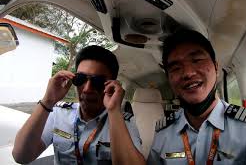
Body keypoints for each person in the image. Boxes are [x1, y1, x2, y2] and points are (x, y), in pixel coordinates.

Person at [147, 30, 246, 165]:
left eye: (196, 60)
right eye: (176, 68)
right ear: (169, 79)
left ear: (216, 67)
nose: (188, 73)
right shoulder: (163, 132)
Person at [12, 45, 146, 165]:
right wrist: (48, 101)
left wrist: (114, 111)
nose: (87, 89)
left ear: (111, 85)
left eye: (98, 81)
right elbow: (21, 156)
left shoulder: (123, 122)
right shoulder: (59, 113)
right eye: (80, 79)